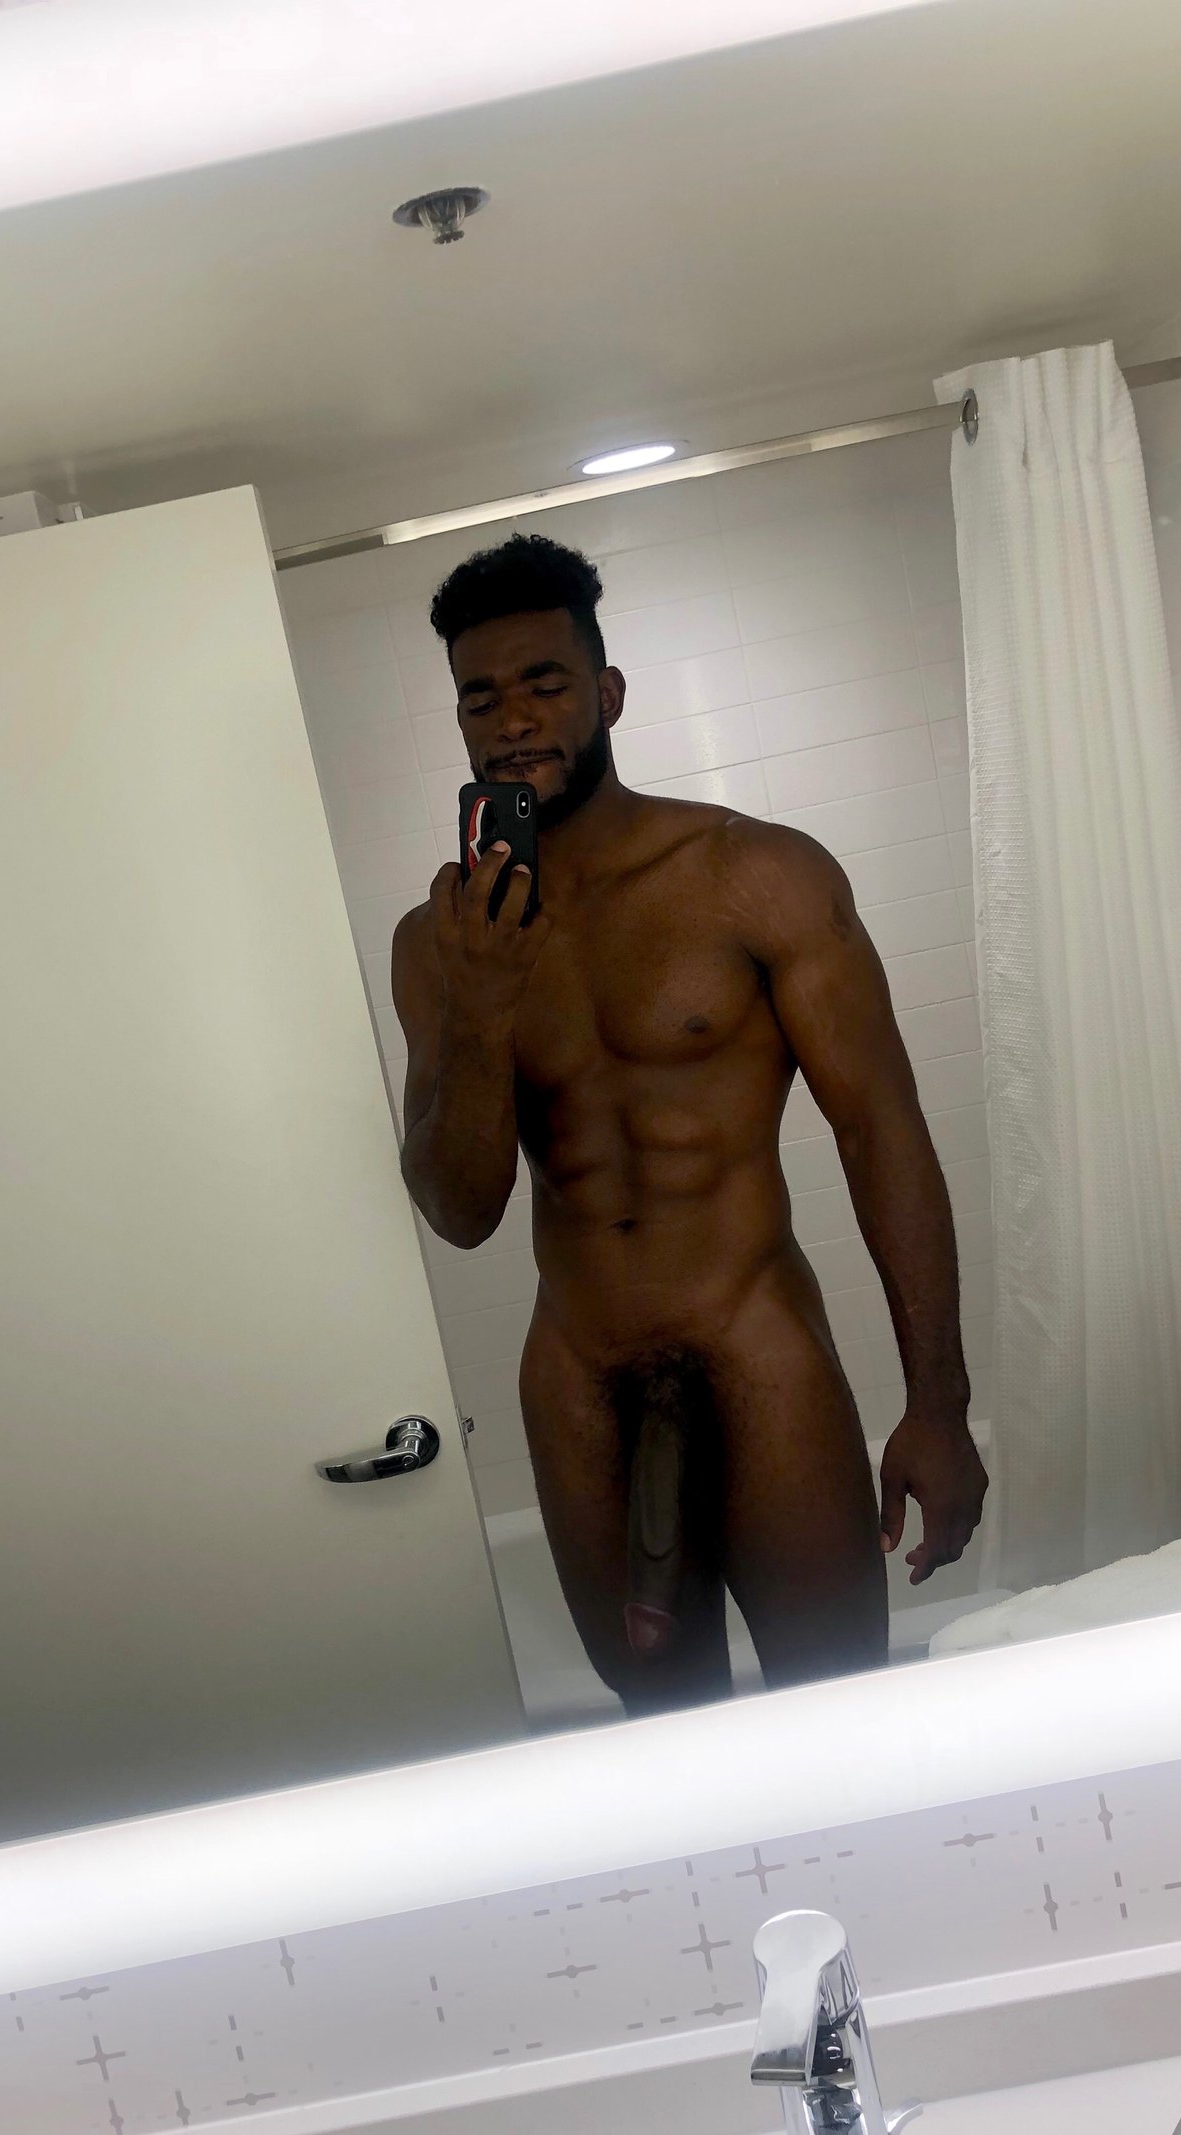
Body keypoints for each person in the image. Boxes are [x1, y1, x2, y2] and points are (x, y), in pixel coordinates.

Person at [392, 533, 986, 1712]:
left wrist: (939, 1405)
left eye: (545, 684)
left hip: (754, 1343)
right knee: (666, 1739)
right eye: (481, 699)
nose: (513, 720)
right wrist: (485, 1006)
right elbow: (460, 1210)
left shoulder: (752, 874)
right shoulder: (440, 943)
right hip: (578, 1375)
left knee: (838, 1712)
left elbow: (882, 1132)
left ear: (608, 693)